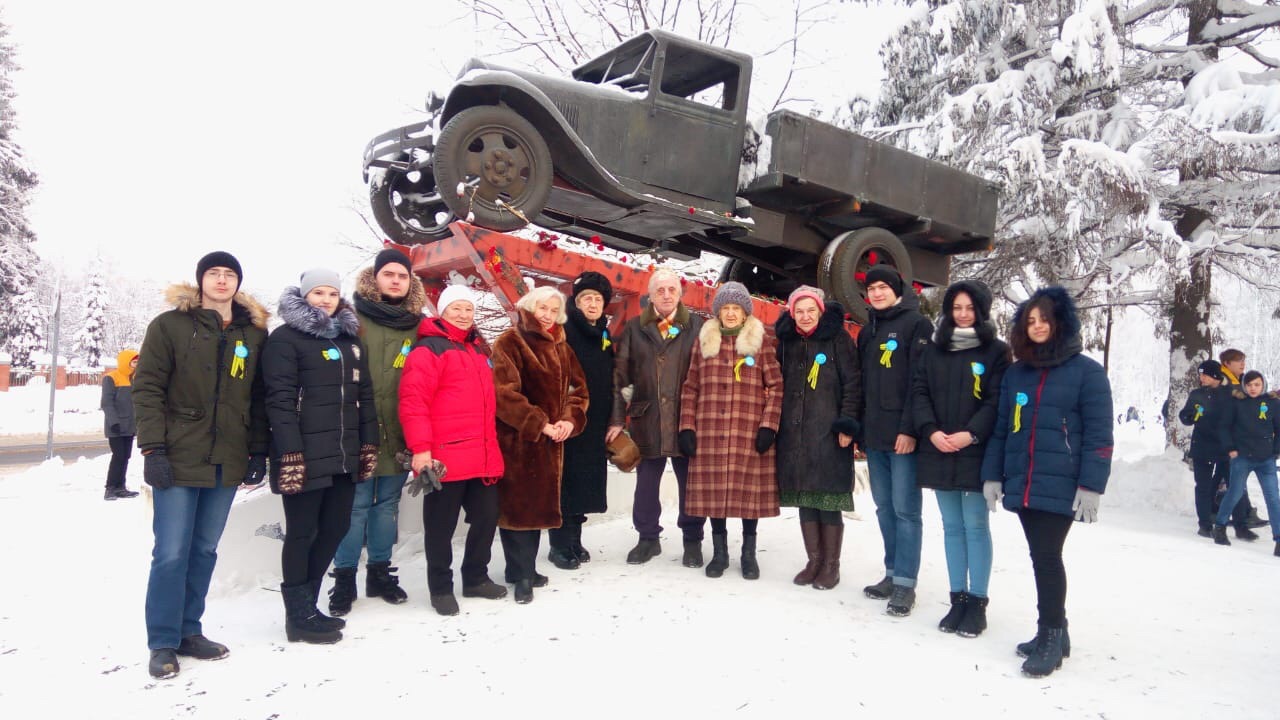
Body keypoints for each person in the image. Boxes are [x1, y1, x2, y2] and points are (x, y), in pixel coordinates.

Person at [133, 251, 269, 680]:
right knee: (171, 553)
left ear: (238, 283)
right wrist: (152, 449)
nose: (223, 280)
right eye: (215, 273)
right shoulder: (170, 326)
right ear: (201, 280)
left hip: (226, 458)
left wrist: (258, 450)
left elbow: (260, 397)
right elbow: (148, 388)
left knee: (205, 551)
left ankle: (190, 631)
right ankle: (162, 642)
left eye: (230, 274)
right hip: (176, 454)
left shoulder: (254, 334)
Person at [981, 286, 1113, 679]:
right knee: (1041, 557)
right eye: (1030, 320)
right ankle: (1058, 631)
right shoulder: (1018, 372)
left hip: (1062, 481)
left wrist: (1092, 485)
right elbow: (1003, 427)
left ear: (1061, 322)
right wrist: (992, 474)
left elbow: (1099, 434)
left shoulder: (1087, 372)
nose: (1037, 326)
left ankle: (1050, 636)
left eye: (1044, 319)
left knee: (1047, 558)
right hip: (1023, 480)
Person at [263, 268, 378, 644]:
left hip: (342, 454)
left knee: (335, 528)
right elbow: (279, 401)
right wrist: (290, 451)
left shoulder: (350, 341)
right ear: (305, 296)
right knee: (302, 533)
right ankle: (297, 617)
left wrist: (367, 443)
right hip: (304, 455)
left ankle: (307, 608)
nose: (326, 299)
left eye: (332, 293)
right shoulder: (285, 339)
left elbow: (367, 399)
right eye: (318, 293)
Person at [399, 283, 508, 617]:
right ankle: (441, 587)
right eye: (455, 308)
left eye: (468, 309)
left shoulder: (478, 352)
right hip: (444, 457)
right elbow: (413, 402)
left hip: (482, 454)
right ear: (441, 312)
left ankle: (475, 577)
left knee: (487, 517)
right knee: (441, 527)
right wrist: (421, 450)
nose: (463, 315)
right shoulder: (428, 350)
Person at [328, 249, 425, 615]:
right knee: (353, 507)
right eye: (390, 274)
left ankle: (380, 572)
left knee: (386, 506)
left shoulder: (418, 324)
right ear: (376, 277)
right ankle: (344, 577)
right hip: (356, 427)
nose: (396, 280)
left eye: (402, 275)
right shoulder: (349, 317)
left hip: (400, 430)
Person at [911, 281, 1010, 637]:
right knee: (951, 527)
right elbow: (919, 391)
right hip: (939, 448)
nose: (963, 314)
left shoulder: (996, 352)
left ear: (981, 312)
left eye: (970, 308)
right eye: (957, 308)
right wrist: (931, 431)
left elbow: (997, 400)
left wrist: (972, 433)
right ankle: (957, 600)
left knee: (975, 525)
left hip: (975, 450)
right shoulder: (935, 350)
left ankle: (977, 602)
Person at [492, 285, 589, 603]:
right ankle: (520, 576)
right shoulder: (510, 341)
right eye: (542, 308)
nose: (547, 315)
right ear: (530, 307)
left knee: (535, 508)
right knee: (519, 509)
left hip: (552, 443)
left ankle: (524, 569)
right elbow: (504, 393)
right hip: (520, 440)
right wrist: (540, 423)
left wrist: (569, 420)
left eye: (552, 309)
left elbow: (579, 388)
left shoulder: (563, 345)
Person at [679, 282, 783, 579]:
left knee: (748, 496)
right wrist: (687, 426)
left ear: (745, 311)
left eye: (736, 308)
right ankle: (720, 553)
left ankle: (748, 554)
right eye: (725, 308)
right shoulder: (704, 341)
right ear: (718, 311)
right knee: (716, 494)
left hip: (748, 432)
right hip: (710, 430)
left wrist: (769, 426)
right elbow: (690, 387)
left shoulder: (760, 342)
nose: (730, 313)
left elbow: (776, 386)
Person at [607, 268, 708, 566]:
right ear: (650, 295)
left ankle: (692, 541)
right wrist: (616, 419)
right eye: (660, 290)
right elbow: (622, 379)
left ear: (680, 294)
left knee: (690, 483)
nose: (666, 295)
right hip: (646, 418)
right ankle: (648, 539)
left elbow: (708, 376)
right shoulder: (635, 328)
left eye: (671, 289)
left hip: (686, 419)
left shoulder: (698, 327)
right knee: (646, 484)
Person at [856, 264, 933, 616]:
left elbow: (920, 383)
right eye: (871, 288)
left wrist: (910, 430)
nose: (877, 293)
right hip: (875, 436)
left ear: (897, 289)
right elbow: (861, 385)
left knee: (906, 511)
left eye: (883, 287)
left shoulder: (917, 325)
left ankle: (905, 583)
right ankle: (890, 572)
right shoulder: (867, 331)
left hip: (903, 437)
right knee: (884, 508)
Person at [774, 286, 860, 590]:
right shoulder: (786, 341)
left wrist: (847, 425)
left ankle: (831, 565)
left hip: (828, 431)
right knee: (805, 499)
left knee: (828, 499)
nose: (805, 316)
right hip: (794, 433)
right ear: (791, 313)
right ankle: (813, 561)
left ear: (820, 311)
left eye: (811, 310)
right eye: (799, 311)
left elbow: (853, 383)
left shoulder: (838, 340)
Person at [549, 272, 616, 569]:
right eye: (586, 298)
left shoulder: (603, 332)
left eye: (598, 299)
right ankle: (559, 545)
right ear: (576, 302)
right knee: (566, 483)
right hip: (568, 418)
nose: (592, 303)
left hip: (595, 420)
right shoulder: (565, 330)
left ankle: (575, 539)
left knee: (584, 483)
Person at [1211, 370, 1280, 557]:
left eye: (1257, 385)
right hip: (1242, 457)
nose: (1253, 388)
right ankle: (1220, 526)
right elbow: (1224, 427)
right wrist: (1230, 448)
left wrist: (1276, 451)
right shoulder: (1236, 403)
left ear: (1263, 385)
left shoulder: (1272, 403)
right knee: (1235, 492)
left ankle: (1278, 539)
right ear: (1244, 386)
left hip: (1266, 459)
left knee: (1273, 497)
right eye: (1249, 385)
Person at [1178, 360, 1240, 539]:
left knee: (1233, 485)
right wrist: (1189, 416)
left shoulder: (1229, 394)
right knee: (1203, 487)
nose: (1201, 377)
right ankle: (1204, 524)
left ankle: (1238, 521)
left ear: (1215, 376)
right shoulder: (1197, 394)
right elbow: (1186, 415)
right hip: (1202, 447)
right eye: (1200, 374)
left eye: (1205, 374)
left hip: (1225, 448)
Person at [1218, 348, 1268, 529]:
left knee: (1228, 479)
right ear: (1227, 364)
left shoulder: (1237, 380)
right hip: (1228, 439)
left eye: (1243, 361)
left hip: (1234, 438)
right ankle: (1240, 516)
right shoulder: (1224, 381)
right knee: (1232, 480)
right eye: (1238, 361)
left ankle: (1241, 513)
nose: (1242, 364)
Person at [101, 348, 141, 500]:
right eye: (134, 362)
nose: (136, 365)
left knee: (126, 456)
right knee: (118, 456)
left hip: (130, 426)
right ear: (126, 362)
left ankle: (121, 486)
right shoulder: (111, 378)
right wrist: (114, 422)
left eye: (137, 362)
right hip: (116, 427)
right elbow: (106, 403)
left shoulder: (135, 378)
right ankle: (110, 488)